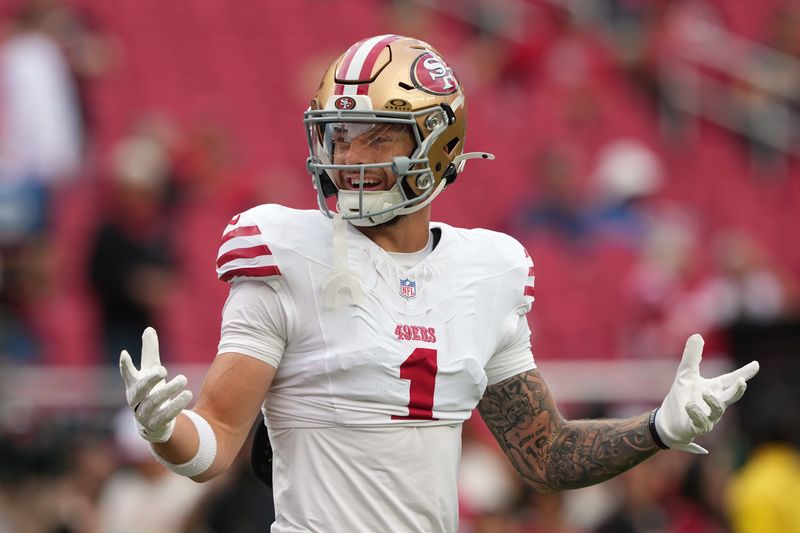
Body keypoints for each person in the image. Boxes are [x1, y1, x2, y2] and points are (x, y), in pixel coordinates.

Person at [117, 35, 760, 533]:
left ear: (440, 143)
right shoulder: (286, 253)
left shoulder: (487, 270)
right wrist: (165, 430)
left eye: (377, 137)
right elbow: (215, 443)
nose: (349, 159)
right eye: (338, 137)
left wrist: (659, 430)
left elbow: (544, 453)